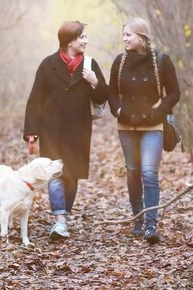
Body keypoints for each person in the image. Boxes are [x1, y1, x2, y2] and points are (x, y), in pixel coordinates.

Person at [23, 20, 108, 240]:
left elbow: (102, 97)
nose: (85, 41)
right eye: (81, 37)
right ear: (69, 41)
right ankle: (59, 219)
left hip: (78, 130)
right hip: (50, 129)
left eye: (85, 37)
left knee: (72, 176)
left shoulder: (90, 65)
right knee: (55, 173)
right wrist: (32, 131)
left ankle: (63, 215)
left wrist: (95, 82)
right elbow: (35, 100)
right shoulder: (48, 64)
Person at [107, 17, 180, 244]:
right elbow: (111, 92)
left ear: (142, 36)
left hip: (153, 126)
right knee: (133, 172)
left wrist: (158, 112)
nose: (124, 39)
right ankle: (137, 219)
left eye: (128, 34)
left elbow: (174, 93)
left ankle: (151, 225)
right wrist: (118, 110)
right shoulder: (120, 62)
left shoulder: (161, 61)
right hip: (127, 127)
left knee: (150, 173)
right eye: (124, 35)